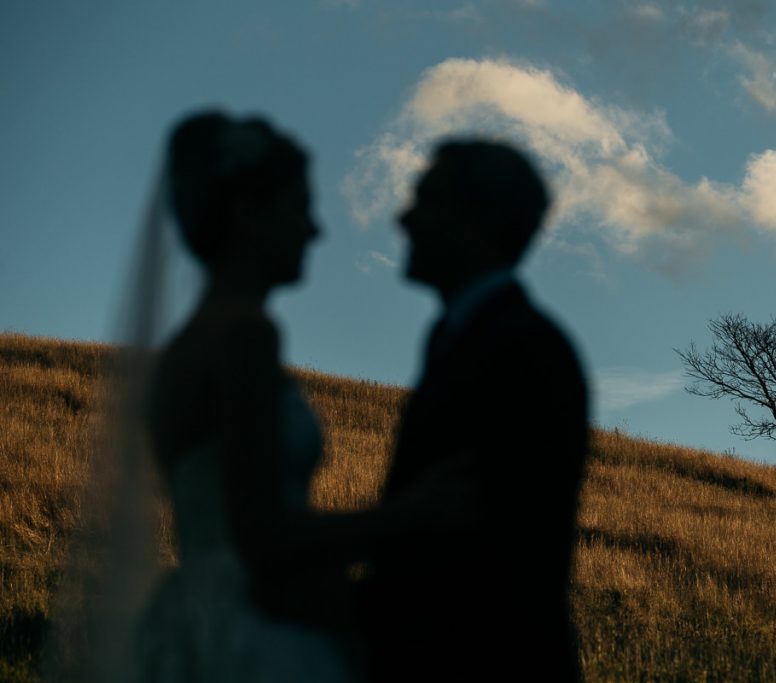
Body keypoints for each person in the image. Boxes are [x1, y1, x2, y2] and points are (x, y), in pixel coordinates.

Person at [135, 110, 358, 682]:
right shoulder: (247, 336)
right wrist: (411, 519)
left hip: (191, 615)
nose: (314, 230)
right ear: (250, 215)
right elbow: (263, 531)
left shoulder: (182, 350)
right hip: (257, 625)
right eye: (299, 207)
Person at [355, 140, 590, 682]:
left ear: (482, 220)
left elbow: (485, 554)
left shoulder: (524, 348)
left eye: (429, 200)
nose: (405, 219)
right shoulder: (467, 336)